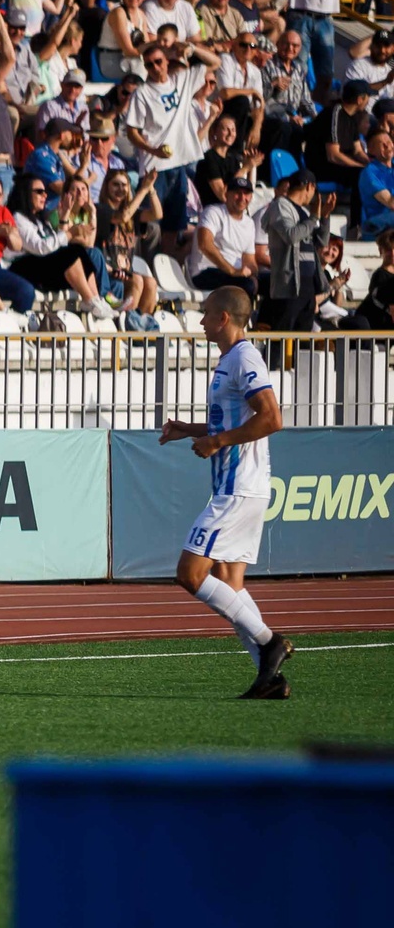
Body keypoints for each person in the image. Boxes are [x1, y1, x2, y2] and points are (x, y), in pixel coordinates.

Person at [157, 285, 292, 698]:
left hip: (238, 487)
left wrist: (216, 443)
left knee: (190, 573)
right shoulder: (230, 361)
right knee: (228, 582)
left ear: (224, 319)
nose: (200, 321)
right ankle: (268, 678)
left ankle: (269, 642)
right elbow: (233, 422)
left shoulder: (245, 357)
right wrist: (191, 430)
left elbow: (272, 419)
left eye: (206, 313)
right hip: (239, 486)